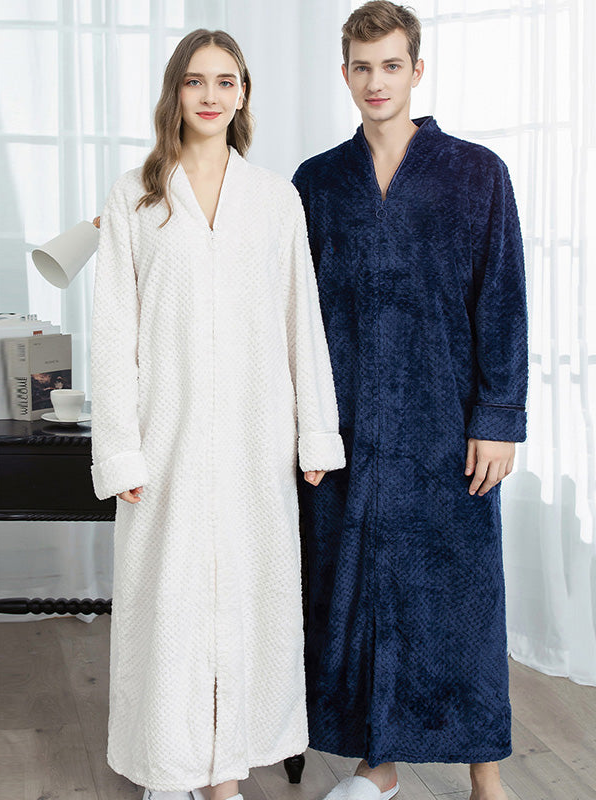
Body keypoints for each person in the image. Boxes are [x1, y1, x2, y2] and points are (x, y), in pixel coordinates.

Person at [90, 29, 345, 800]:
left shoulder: (274, 199)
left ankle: (224, 778)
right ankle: (171, 767)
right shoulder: (134, 197)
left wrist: (315, 432)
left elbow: (301, 318)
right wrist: (122, 449)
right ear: (176, 91)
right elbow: (114, 333)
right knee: (168, 607)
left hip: (254, 438)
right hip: (163, 440)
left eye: (225, 81)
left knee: (247, 599)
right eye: (195, 80)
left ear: (242, 94)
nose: (209, 94)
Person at [292, 3, 528, 800]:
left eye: (391, 65)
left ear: (416, 70)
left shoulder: (477, 173)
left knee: (464, 598)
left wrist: (498, 420)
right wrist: (307, 427)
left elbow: (502, 300)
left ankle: (485, 773)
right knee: (354, 595)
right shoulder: (318, 182)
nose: (376, 82)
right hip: (346, 430)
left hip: (445, 428)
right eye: (362, 67)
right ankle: (378, 766)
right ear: (345, 73)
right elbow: (292, 314)